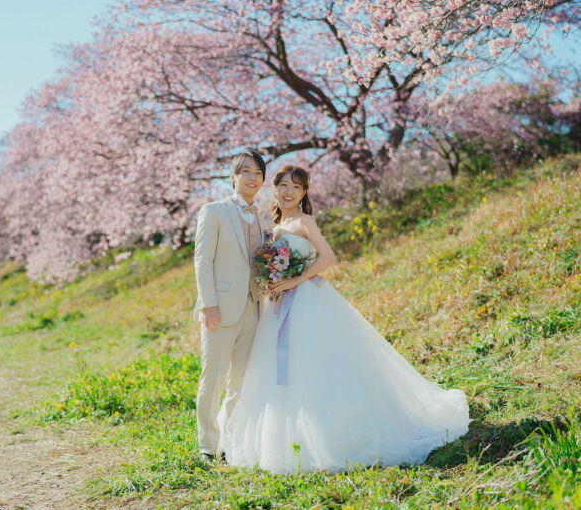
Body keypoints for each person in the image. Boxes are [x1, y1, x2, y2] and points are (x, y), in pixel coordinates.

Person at [217, 165, 472, 473]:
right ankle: (285, 438)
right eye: (283, 185)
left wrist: (293, 280)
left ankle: (332, 436)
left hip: (307, 302)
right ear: (275, 188)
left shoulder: (304, 220)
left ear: (304, 193)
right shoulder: (274, 223)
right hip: (278, 305)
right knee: (277, 370)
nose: (288, 191)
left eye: (296, 188)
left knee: (315, 365)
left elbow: (328, 257)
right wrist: (272, 281)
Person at [192, 149, 267, 462]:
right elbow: (202, 260)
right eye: (246, 172)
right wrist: (208, 304)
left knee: (240, 381)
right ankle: (208, 445)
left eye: (258, 173)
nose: (252, 178)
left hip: (253, 308)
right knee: (213, 379)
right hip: (219, 309)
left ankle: (229, 441)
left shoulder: (261, 218)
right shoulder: (215, 211)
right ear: (233, 177)